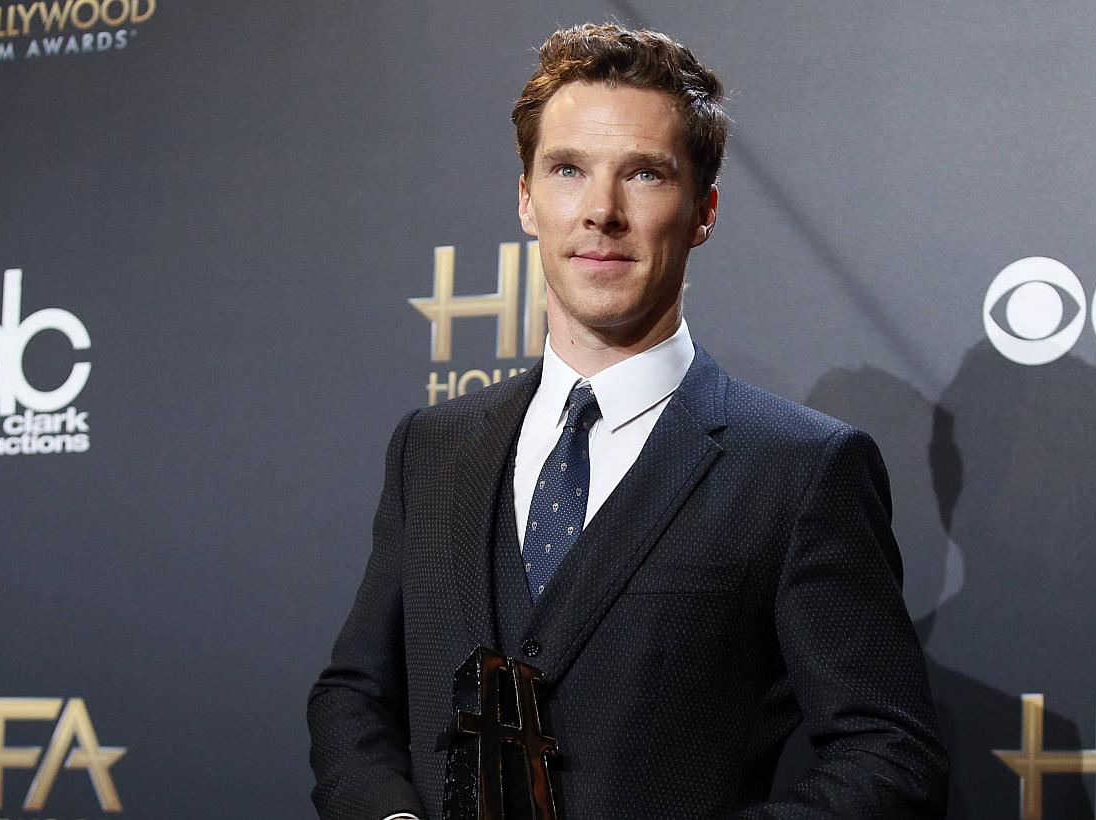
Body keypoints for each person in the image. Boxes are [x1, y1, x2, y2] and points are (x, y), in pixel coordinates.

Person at [308, 23, 947, 819]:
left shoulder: (801, 469)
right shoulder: (431, 448)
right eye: (568, 170)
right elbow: (355, 696)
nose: (601, 212)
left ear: (703, 210)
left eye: (643, 175)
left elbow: (890, 755)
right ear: (526, 200)